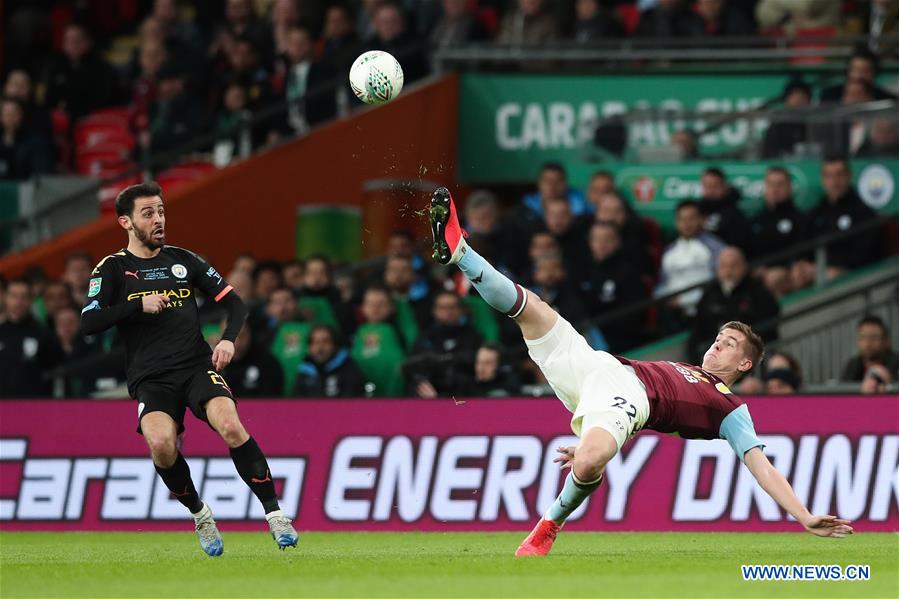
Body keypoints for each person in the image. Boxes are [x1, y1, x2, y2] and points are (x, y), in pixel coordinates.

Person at [427, 186, 853, 555]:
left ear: (744, 364)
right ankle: (461, 252)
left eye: (731, 344)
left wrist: (803, 515)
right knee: (533, 309)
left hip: (627, 396)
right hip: (598, 365)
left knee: (592, 460)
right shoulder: (688, 370)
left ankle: (547, 527)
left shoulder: (730, 407)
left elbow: (761, 465)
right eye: (719, 336)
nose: (718, 343)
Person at [80, 182, 297, 556]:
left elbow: (236, 304)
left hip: (196, 366)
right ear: (125, 222)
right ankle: (200, 514)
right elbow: (89, 323)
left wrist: (228, 338)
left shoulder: (184, 261)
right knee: (162, 446)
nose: (159, 219)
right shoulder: (113, 268)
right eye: (148, 213)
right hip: (151, 379)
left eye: (161, 211)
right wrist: (136, 305)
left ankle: (275, 515)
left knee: (230, 424)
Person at [689, 247, 781, 363]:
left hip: (749, 357)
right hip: (715, 358)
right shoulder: (710, 293)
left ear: (743, 266)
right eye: (724, 266)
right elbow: (698, 329)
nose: (728, 271)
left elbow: (770, 318)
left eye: (733, 266)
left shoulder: (757, 290)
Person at [0, 279, 64, 397]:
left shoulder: (44, 334)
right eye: (13, 296)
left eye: (24, 297)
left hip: (35, 407)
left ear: (31, 301)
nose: (18, 302)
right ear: (5, 298)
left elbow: (57, 371)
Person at [295, 325, 366, 397]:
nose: (320, 348)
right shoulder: (305, 369)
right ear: (309, 348)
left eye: (325, 342)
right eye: (315, 342)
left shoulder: (348, 367)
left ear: (335, 345)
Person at [841, 315, 899, 384]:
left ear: (886, 341)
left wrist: (891, 385)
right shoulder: (853, 365)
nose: (867, 343)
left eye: (874, 337)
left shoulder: (896, 362)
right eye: (863, 337)